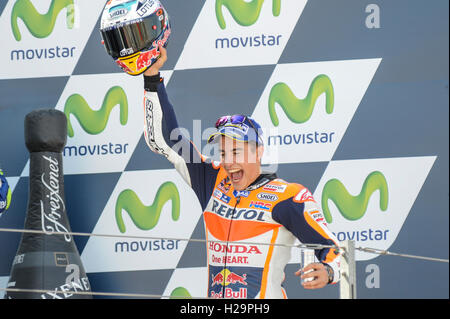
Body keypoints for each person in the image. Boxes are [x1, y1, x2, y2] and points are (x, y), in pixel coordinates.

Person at [141, 46, 341, 299]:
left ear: (259, 152)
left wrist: (329, 271)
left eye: (236, 152)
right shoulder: (211, 180)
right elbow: (166, 140)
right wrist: (152, 77)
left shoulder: (288, 197)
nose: (227, 162)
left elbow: (334, 250)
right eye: (223, 153)